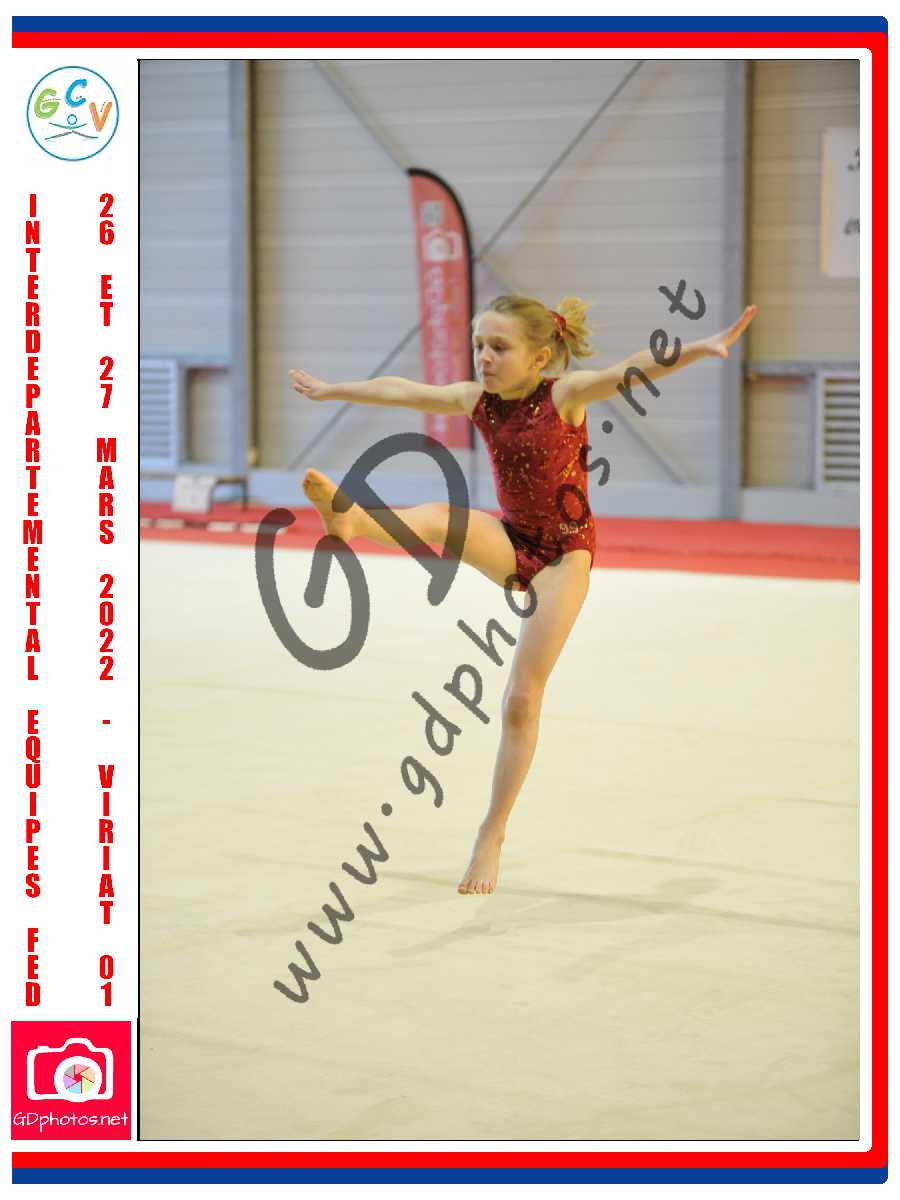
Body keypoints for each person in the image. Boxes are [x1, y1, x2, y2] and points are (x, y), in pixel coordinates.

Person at [289, 294, 757, 896]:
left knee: (520, 700)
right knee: (442, 517)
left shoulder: (565, 397)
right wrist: (333, 391)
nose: (484, 357)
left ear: (538, 357)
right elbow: (403, 390)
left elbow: (632, 370)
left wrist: (704, 346)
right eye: (479, 345)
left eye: (499, 347)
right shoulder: (477, 401)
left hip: (565, 557)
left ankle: (492, 832)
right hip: (512, 541)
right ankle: (353, 521)